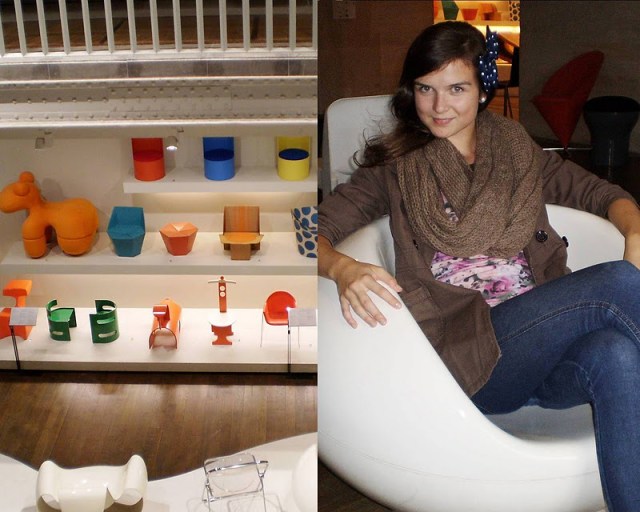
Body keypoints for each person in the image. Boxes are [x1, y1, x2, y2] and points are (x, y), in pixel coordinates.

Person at [318, 21, 640, 511]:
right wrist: (341, 268)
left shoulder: (517, 151)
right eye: (425, 88)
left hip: (541, 340)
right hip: (470, 353)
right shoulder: (394, 167)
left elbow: (600, 193)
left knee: (616, 355)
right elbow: (305, 230)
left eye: (456, 89)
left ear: (483, 89)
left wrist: (635, 231)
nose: (438, 106)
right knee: (616, 282)